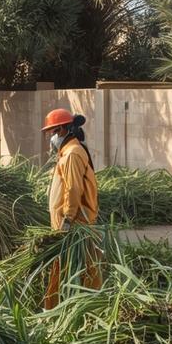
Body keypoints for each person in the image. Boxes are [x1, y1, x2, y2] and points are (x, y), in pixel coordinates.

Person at [42, 108, 99, 309]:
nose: (51, 137)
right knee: (81, 266)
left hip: (74, 224)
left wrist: (67, 219)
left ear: (64, 130)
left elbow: (73, 188)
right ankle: (81, 306)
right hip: (71, 223)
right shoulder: (68, 152)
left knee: (70, 267)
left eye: (53, 132)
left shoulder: (73, 154)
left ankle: (61, 309)